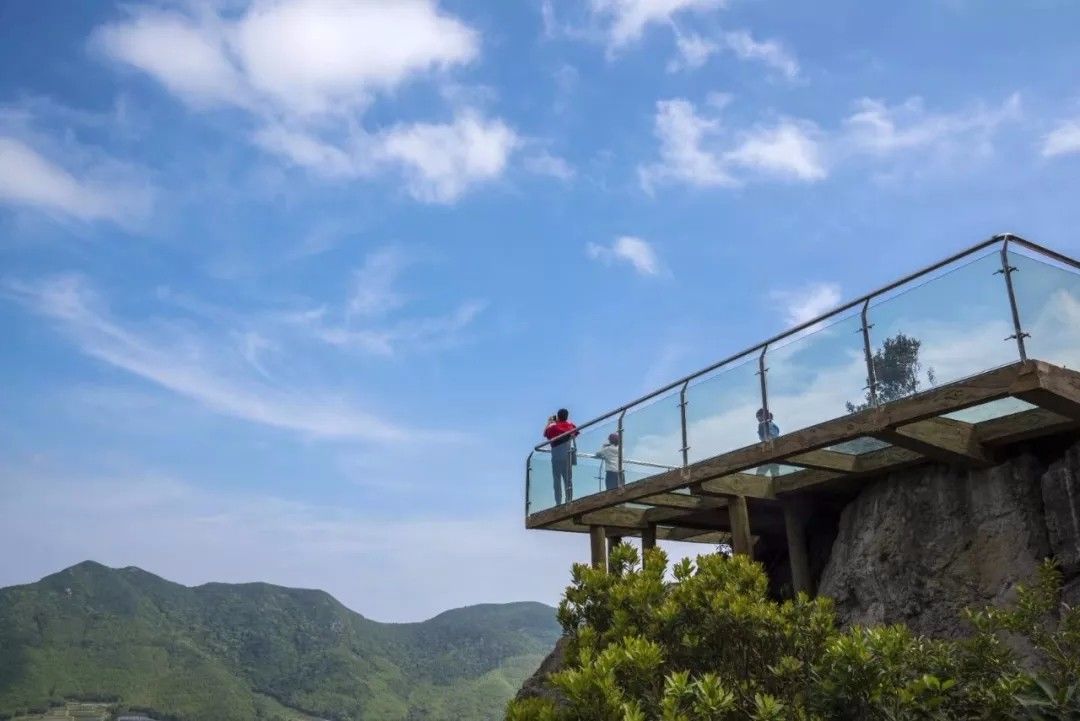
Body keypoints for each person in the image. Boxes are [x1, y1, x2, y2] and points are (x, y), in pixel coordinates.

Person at [544, 408, 578, 504]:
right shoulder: (570, 426)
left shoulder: (553, 427)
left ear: (558, 416)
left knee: (557, 480)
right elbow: (576, 433)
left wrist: (550, 422)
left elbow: (545, 434)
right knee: (568, 480)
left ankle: (558, 502)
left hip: (557, 456)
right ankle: (569, 500)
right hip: (568, 456)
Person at [756, 407, 780, 477]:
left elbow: (765, 439)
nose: (758, 419)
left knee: (759, 474)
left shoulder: (762, 425)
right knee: (775, 473)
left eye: (758, 417)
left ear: (762, 416)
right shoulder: (774, 425)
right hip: (776, 452)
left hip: (767, 451)